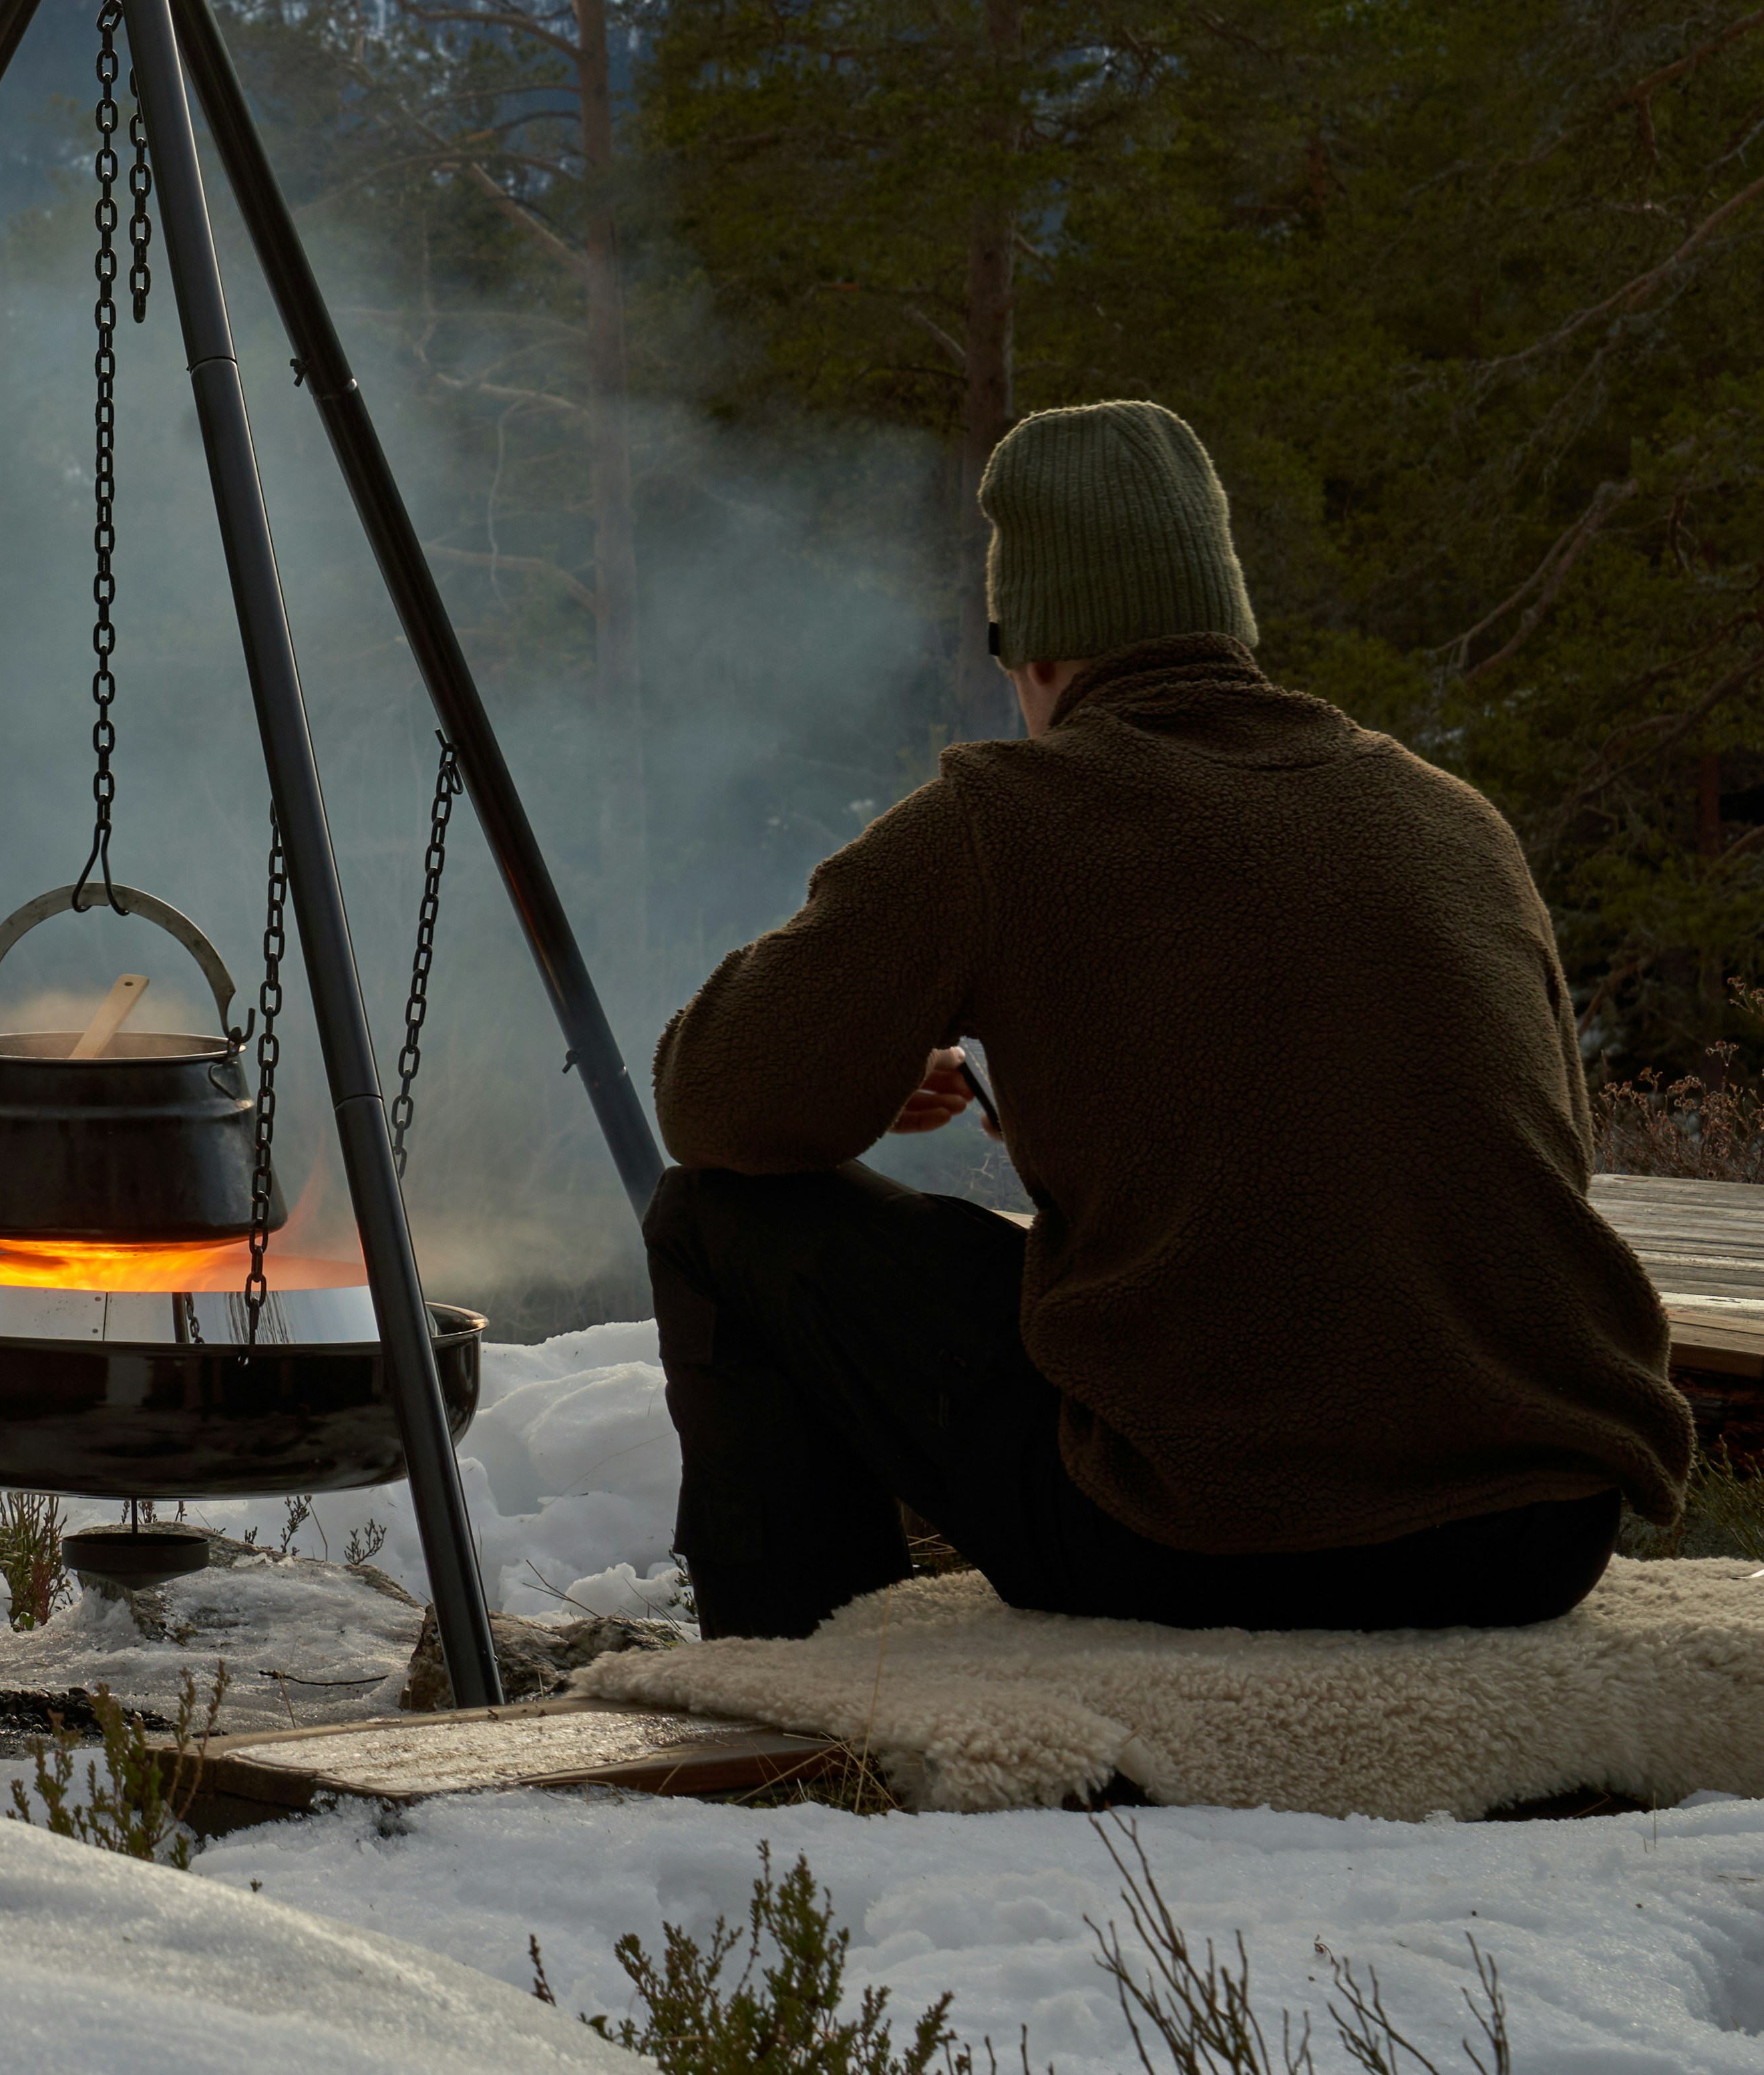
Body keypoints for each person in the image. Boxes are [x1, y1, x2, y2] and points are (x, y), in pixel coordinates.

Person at [645, 397, 1691, 1641]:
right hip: (1534, 1534)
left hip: (1209, 1539)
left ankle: (802, 1690)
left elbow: (711, 1098)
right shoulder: (1451, 818)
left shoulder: (1001, 818)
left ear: (1032, 651)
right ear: (1224, 620)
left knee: (714, 1220)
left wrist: (858, 1079)